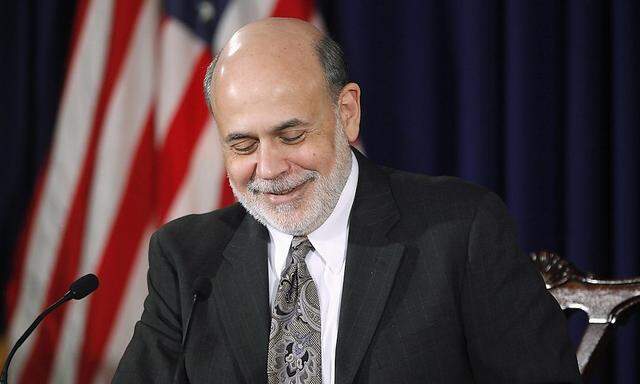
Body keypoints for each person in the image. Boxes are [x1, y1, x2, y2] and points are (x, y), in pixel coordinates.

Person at [113, 18, 581, 384]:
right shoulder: (187, 259)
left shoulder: (460, 231)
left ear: (348, 113)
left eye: (291, 134)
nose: (270, 167)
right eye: (243, 146)